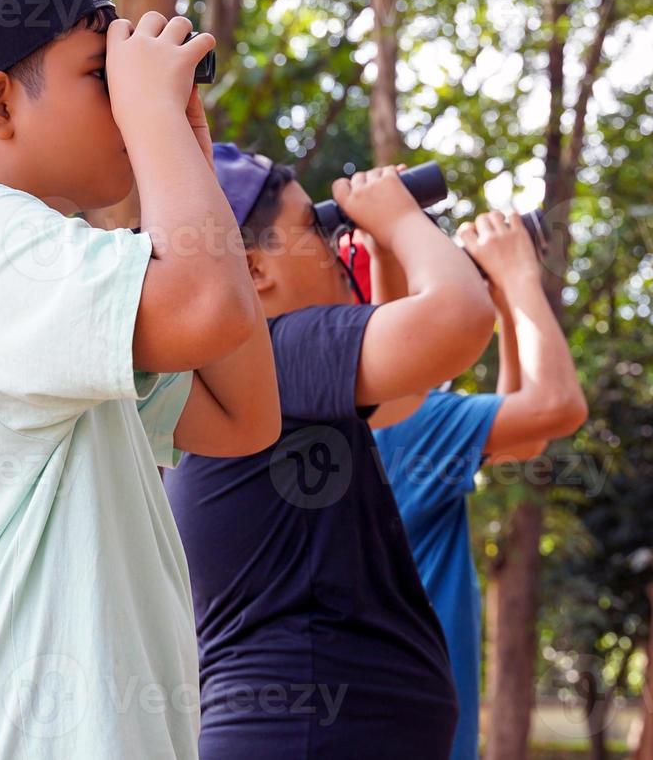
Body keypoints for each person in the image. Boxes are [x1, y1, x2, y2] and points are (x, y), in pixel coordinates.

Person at [0, 0, 279, 759]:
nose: (127, 103)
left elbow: (243, 415)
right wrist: (156, 118)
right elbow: (210, 306)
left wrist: (182, 143)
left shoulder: (44, 278)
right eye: (102, 76)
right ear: (2, 106)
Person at [162, 147, 497, 758]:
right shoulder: (273, 349)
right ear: (256, 270)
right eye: (314, 229)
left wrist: (388, 250)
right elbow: (461, 318)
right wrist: (398, 218)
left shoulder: (247, 374)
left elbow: (403, 394)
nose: (334, 244)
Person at [370, 210, 588, 760]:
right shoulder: (410, 424)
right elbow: (550, 410)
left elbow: (520, 434)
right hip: (418, 726)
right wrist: (517, 280)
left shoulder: (359, 423)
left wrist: (502, 307)